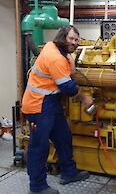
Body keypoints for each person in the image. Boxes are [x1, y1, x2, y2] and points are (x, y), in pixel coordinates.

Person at [22, 25, 94, 194]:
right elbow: (68, 88)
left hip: (51, 101)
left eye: (76, 40)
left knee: (63, 137)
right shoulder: (55, 57)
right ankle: (37, 186)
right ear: (62, 37)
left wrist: (71, 58)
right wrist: (85, 98)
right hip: (38, 104)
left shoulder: (53, 47)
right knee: (39, 147)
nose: (74, 43)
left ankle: (69, 173)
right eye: (71, 39)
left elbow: (68, 71)